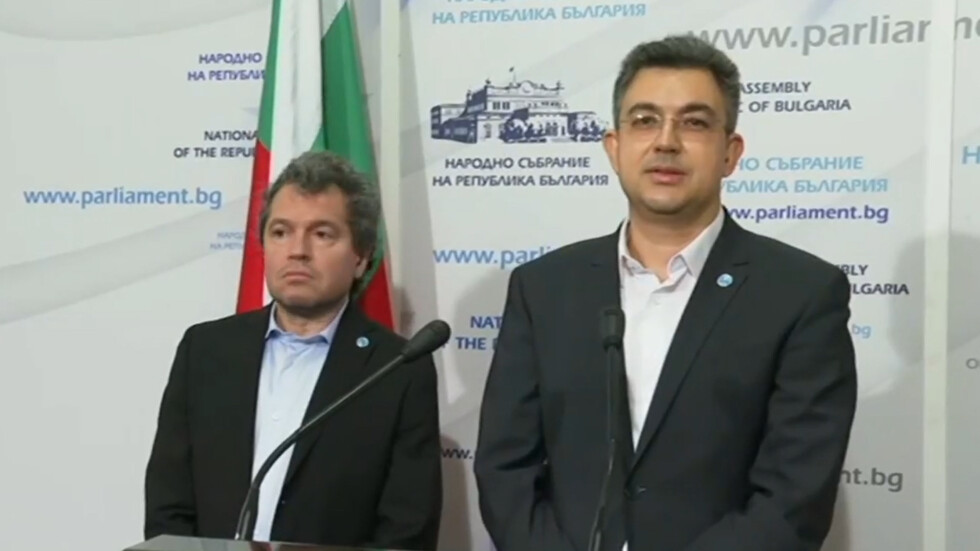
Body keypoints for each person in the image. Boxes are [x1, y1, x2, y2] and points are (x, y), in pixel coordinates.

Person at [474, 35, 858, 551]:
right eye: (645, 120)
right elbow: (505, 469)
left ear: (730, 152)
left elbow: (795, 498)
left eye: (694, 122)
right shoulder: (544, 287)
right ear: (615, 148)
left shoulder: (801, 293)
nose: (666, 142)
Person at [144, 151, 442, 550]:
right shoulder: (205, 351)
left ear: (361, 257)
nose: (297, 250)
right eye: (281, 232)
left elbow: (406, 532)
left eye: (322, 234)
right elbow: (168, 505)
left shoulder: (397, 370)